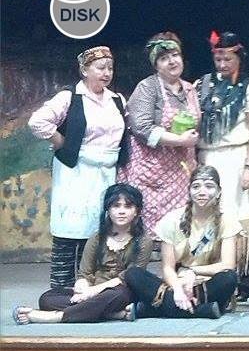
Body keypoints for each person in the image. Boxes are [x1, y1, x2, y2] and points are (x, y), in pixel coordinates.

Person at [28, 46, 129, 289]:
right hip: (75, 171)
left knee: (97, 229)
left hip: (106, 172)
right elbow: (37, 122)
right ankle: (61, 289)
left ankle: (89, 288)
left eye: (110, 68)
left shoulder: (117, 100)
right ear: (85, 70)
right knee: (70, 227)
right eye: (100, 68)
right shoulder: (70, 97)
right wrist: (61, 141)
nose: (107, 73)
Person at [12, 183, 153, 324]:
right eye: (116, 206)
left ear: (137, 211)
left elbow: (129, 277)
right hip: (93, 289)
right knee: (47, 299)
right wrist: (83, 288)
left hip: (121, 291)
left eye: (128, 207)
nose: (121, 211)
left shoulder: (143, 241)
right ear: (108, 210)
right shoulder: (97, 238)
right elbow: (85, 273)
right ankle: (115, 314)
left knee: (118, 295)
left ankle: (55, 317)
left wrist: (92, 293)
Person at [196, 30, 249, 297]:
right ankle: (210, 275)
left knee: (238, 216)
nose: (223, 64)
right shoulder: (201, 84)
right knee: (209, 215)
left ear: (239, 58)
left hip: (237, 158)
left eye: (228, 59)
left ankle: (241, 278)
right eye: (218, 59)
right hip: (207, 157)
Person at [124, 166, 239, 319]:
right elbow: (168, 268)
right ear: (189, 191)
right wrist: (178, 289)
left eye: (209, 186)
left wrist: (193, 271)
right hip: (176, 283)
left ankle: (158, 309)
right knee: (133, 274)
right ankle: (202, 310)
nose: (202, 192)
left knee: (229, 277)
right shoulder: (172, 220)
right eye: (196, 187)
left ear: (218, 192)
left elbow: (227, 265)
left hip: (208, 283)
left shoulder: (227, 220)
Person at [119, 32, 201, 238]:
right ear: (156, 65)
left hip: (181, 173)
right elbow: (141, 127)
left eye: (175, 55)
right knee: (147, 233)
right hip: (151, 172)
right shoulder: (148, 87)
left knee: (177, 231)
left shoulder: (190, 89)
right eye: (164, 58)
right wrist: (179, 140)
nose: (172, 61)